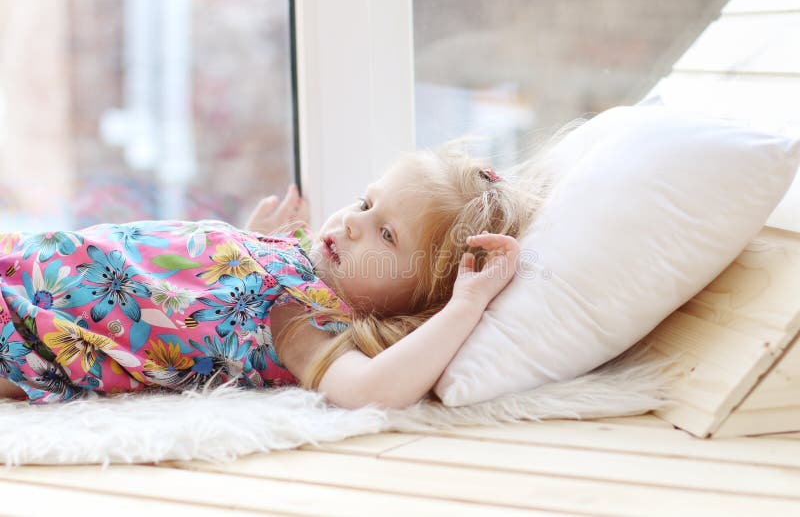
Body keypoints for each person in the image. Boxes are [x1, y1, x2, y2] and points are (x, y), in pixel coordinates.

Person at [0, 143, 548, 409]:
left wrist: (465, 306)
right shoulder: (295, 272)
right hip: (26, 261)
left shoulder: (305, 322)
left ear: (415, 298)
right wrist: (250, 241)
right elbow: (197, 303)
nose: (354, 223)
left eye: (387, 235)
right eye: (365, 202)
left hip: (24, 324)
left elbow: (371, 390)